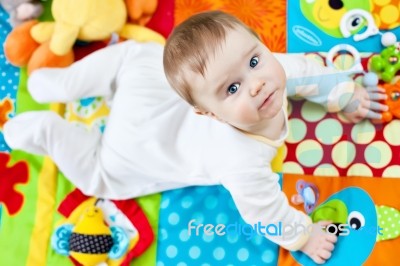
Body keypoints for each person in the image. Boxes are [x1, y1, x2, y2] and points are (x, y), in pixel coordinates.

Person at [4, 10, 386, 264]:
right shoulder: (240, 160)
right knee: (100, 177)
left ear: (260, 45)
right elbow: (264, 213)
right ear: (206, 113)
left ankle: (50, 84)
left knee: (135, 58)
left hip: (148, 81)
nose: (255, 85)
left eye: (254, 61)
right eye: (231, 89)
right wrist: (302, 236)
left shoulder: (273, 70)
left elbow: (308, 70)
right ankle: (44, 128)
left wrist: (344, 93)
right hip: (135, 144)